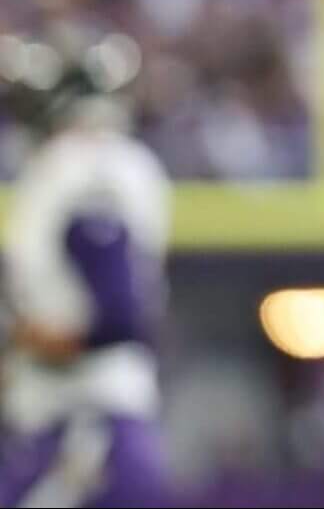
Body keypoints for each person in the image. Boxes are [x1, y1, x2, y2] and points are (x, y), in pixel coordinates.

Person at [0, 34, 170, 508]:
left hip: (86, 430)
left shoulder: (80, 169)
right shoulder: (124, 166)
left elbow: (117, 316)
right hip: (88, 421)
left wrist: (38, 342)